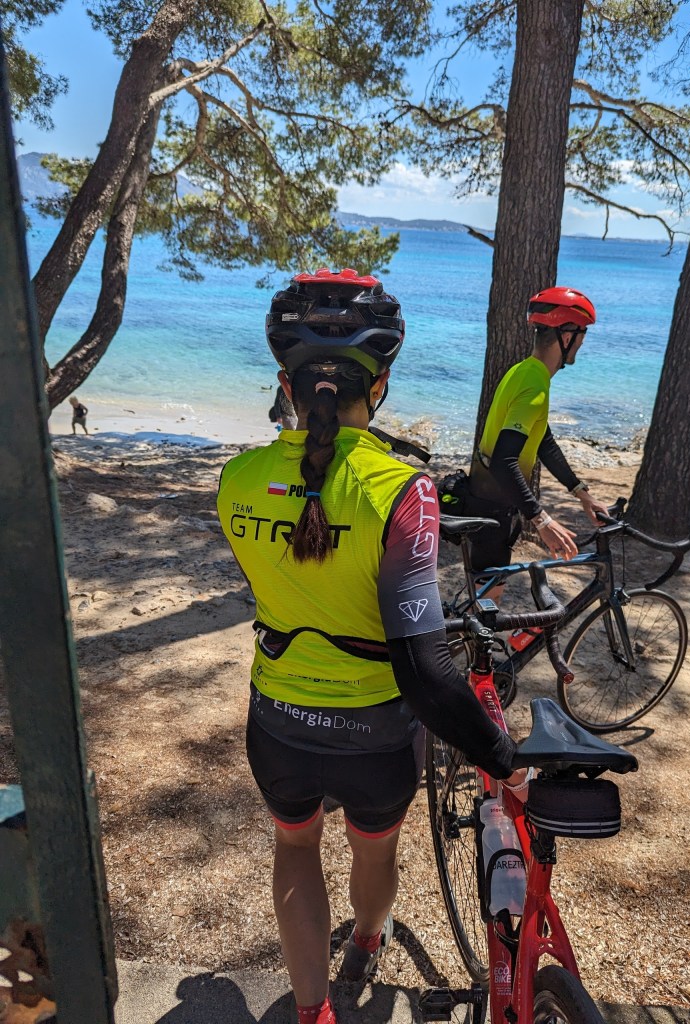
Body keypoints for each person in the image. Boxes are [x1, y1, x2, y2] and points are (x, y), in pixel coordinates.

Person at [217, 268, 527, 1024]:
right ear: (379, 384)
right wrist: (502, 760)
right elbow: (425, 670)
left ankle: (311, 1012)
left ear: (286, 382)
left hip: (279, 720)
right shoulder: (404, 489)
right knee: (373, 853)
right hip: (376, 733)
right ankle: (363, 941)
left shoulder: (235, 481)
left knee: (294, 850)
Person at [466, 286, 609, 574]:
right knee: (484, 608)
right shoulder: (534, 385)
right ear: (567, 336)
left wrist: (582, 493)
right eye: (583, 334)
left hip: (487, 501)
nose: (582, 342)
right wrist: (543, 521)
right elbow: (504, 461)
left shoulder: (524, 371)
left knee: (485, 604)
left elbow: (544, 442)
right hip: (491, 508)